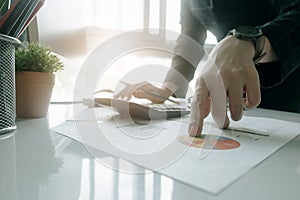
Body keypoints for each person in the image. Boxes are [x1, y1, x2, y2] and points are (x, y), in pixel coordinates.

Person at [115, 0, 300, 136]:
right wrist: (168, 87)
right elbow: (190, 39)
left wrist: (253, 40)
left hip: (289, 96)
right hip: (234, 98)